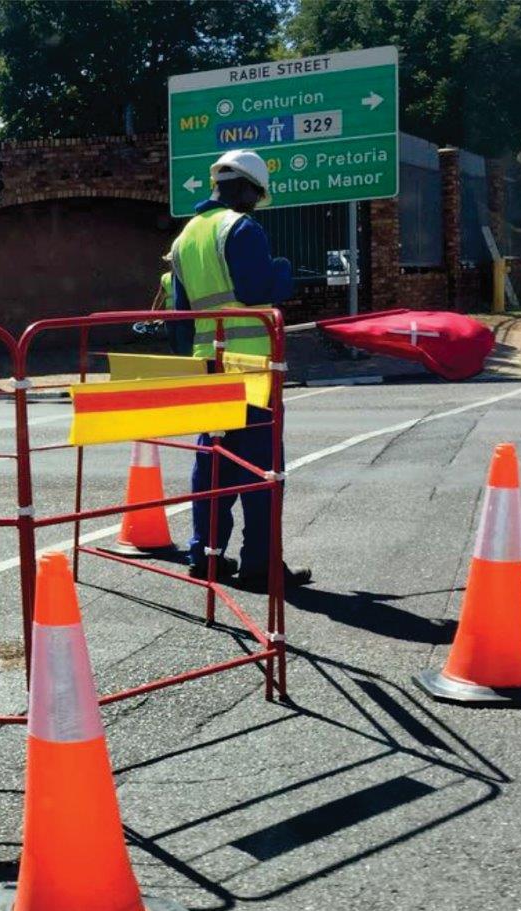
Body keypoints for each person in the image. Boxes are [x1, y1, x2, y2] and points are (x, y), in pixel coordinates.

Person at [167, 149, 310, 591]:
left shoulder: (185, 237)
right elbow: (254, 289)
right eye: (256, 194)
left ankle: (204, 555)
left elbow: (179, 314)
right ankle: (260, 566)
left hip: (206, 366)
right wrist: (283, 272)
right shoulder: (241, 226)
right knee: (262, 468)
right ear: (247, 188)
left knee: (212, 462)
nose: (255, 202)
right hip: (248, 368)